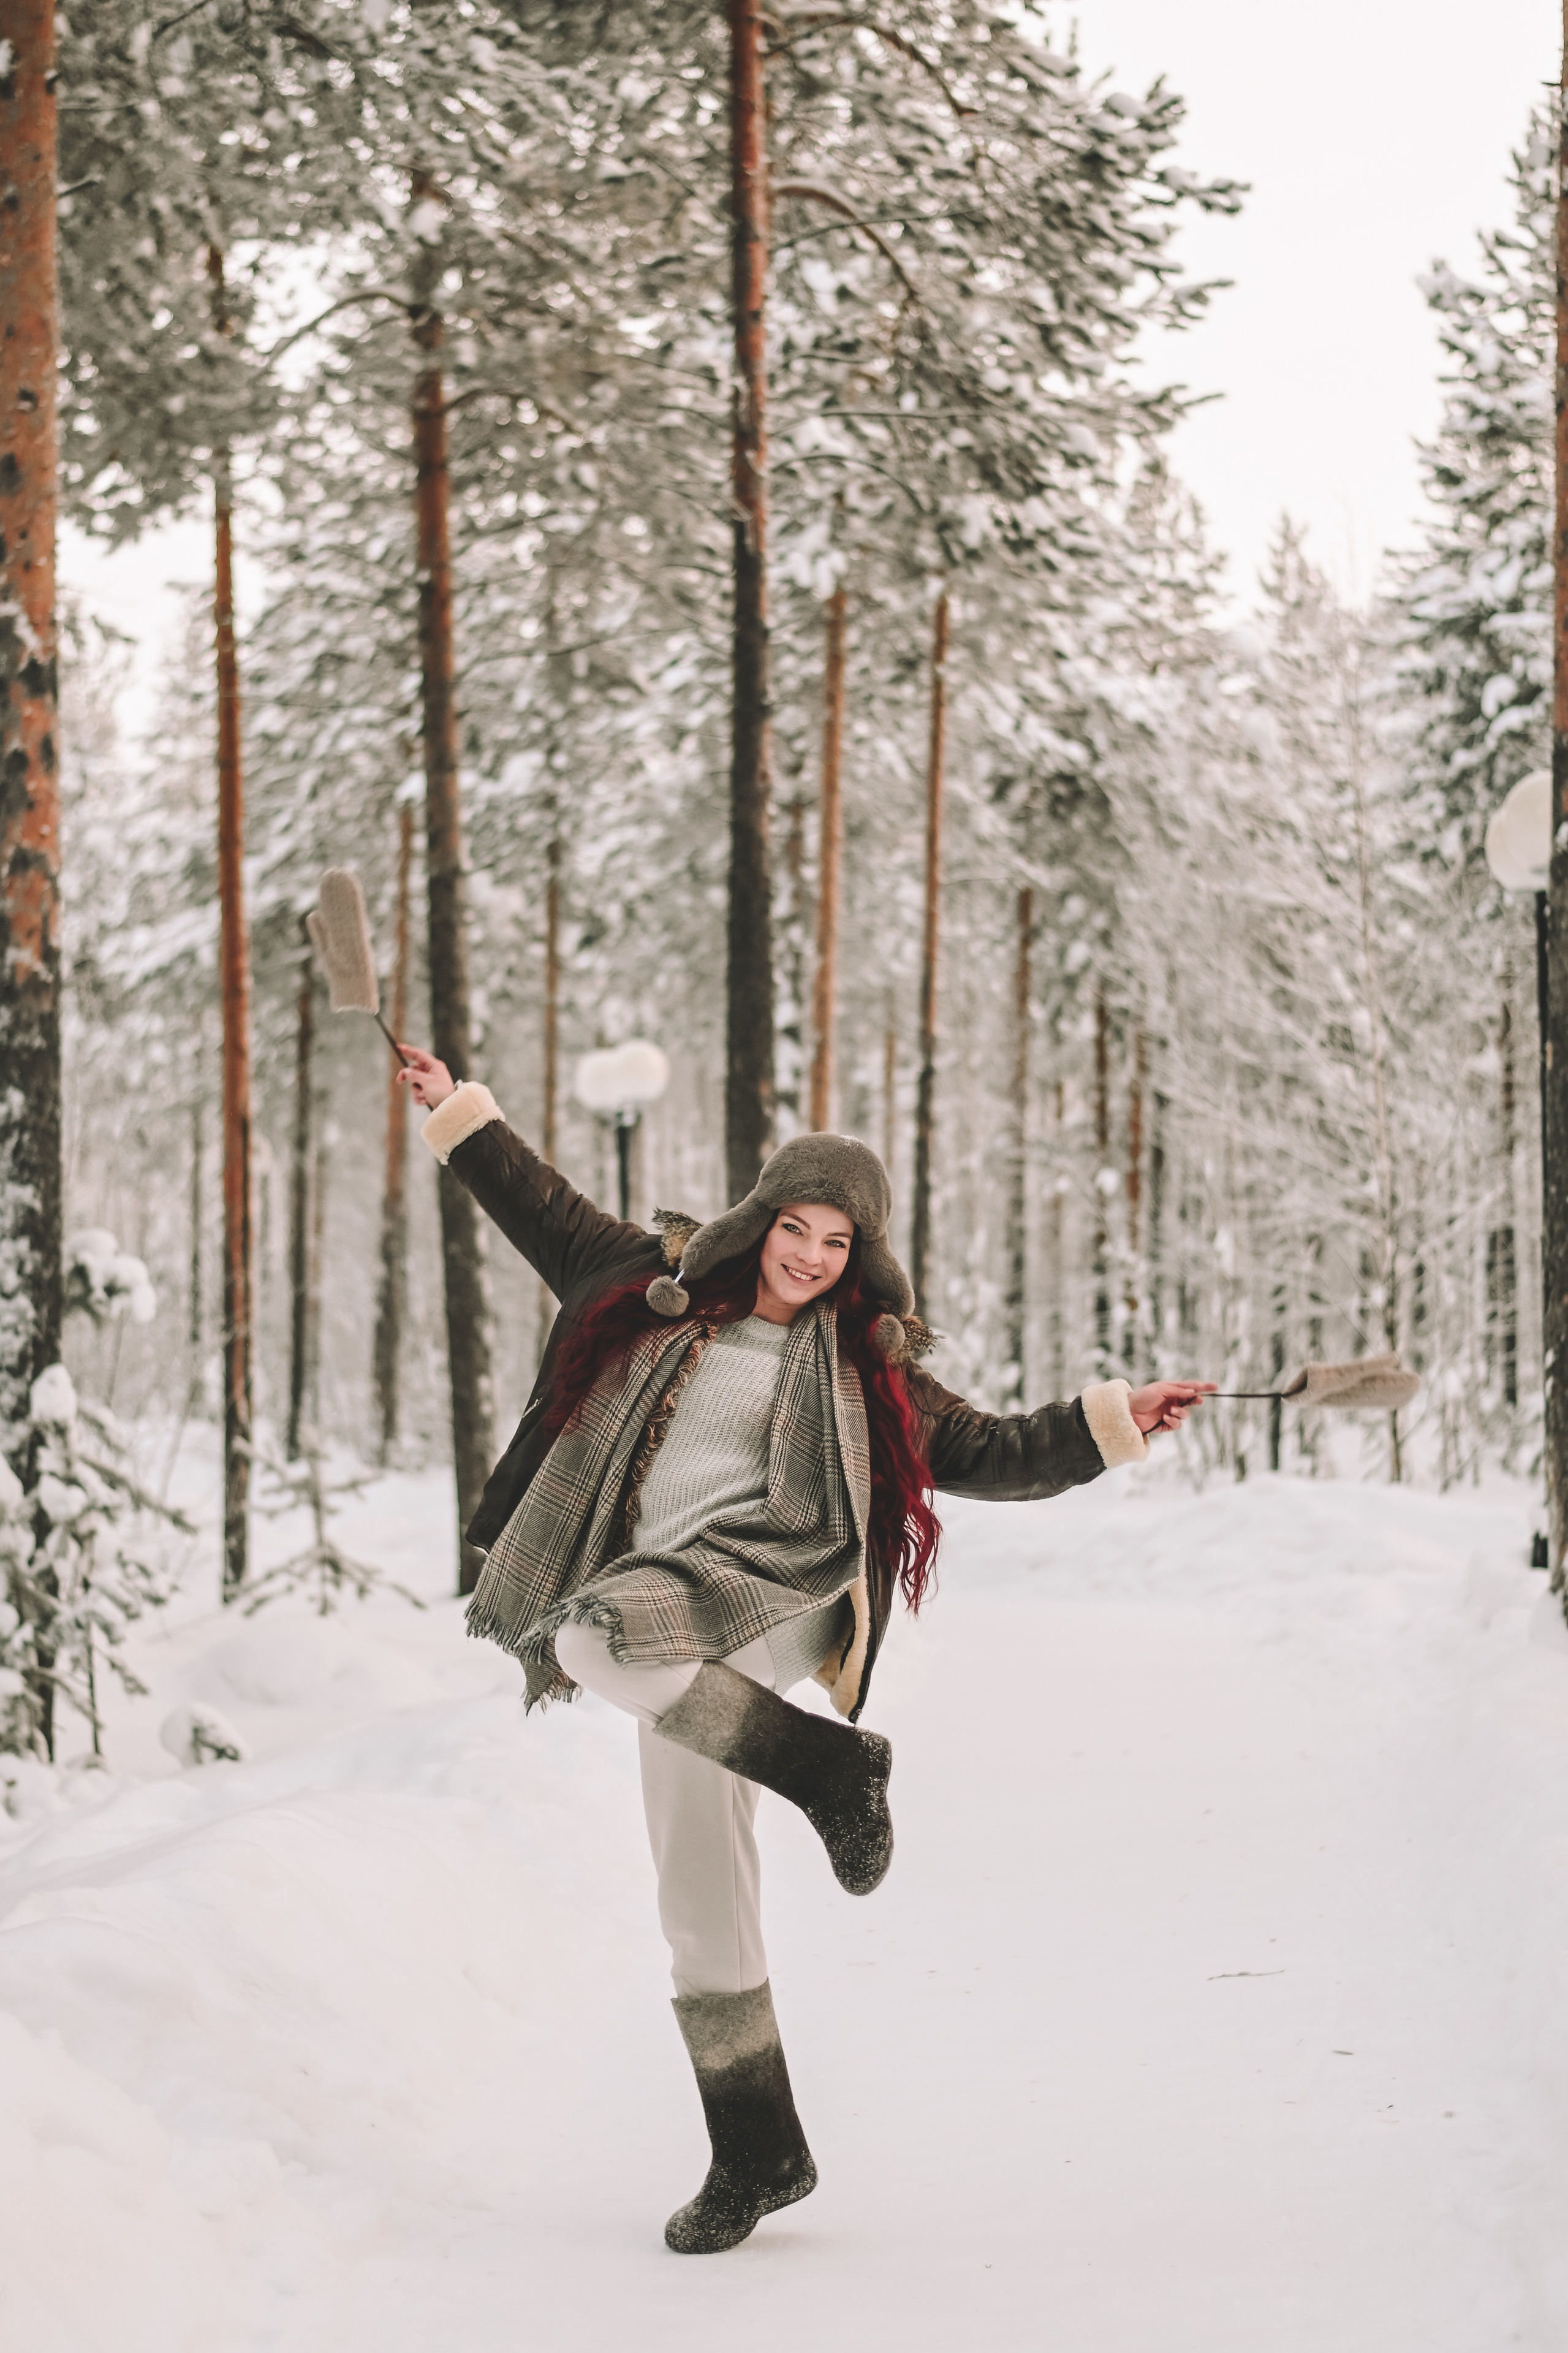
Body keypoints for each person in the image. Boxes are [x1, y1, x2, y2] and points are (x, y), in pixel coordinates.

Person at [398, 1047, 1211, 2255]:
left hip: (779, 1588)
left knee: (591, 1639)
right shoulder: (647, 1283)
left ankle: (830, 1770)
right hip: (660, 1600)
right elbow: (539, 1205)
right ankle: (758, 2151)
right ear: (761, 1218)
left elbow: (991, 1452)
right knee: (695, 1887)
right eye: (796, 1228)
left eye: (837, 1242)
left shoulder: (864, 1365)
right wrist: (458, 1111)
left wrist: (1110, 1422)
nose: (811, 1257)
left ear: (858, 1256)